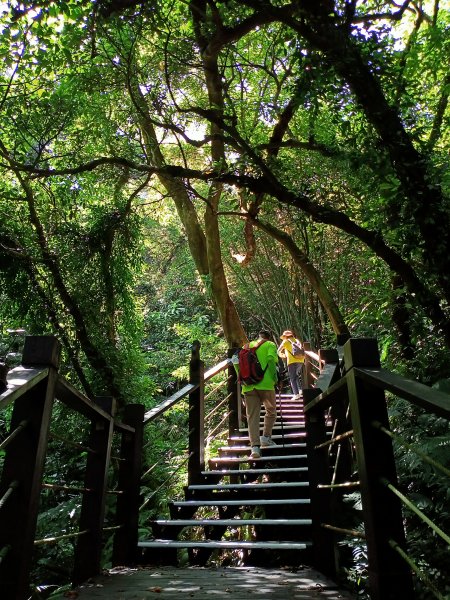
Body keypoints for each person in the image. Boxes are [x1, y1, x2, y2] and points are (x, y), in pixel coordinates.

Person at [235, 330, 279, 459]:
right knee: (271, 411)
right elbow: (271, 359)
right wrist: (275, 378)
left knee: (252, 416)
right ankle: (265, 437)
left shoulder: (246, 346)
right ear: (269, 337)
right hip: (265, 385)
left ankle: (255, 448)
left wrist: (244, 379)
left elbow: (237, 363)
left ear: (258, 337)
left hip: (248, 386)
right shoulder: (270, 344)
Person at [277, 330, 304, 400]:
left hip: (292, 361)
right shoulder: (297, 340)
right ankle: (300, 390)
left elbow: (278, 351)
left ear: (285, 336)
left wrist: (283, 355)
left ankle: (296, 394)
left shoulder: (285, 341)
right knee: (296, 375)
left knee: (292, 378)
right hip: (301, 360)